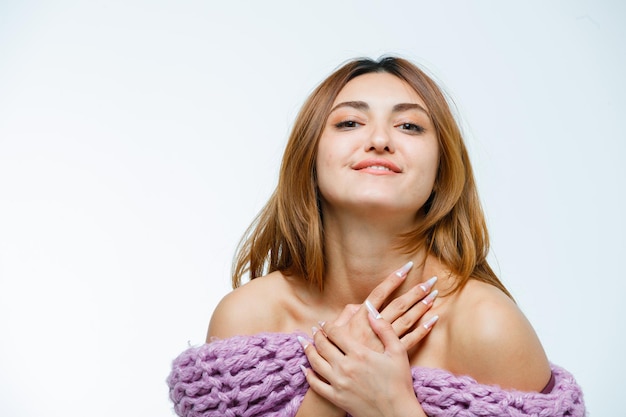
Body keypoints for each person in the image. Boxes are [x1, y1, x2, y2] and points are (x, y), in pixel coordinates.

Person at [167, 56, 585, 417]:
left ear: (442, 170)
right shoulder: (248, 319)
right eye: (350, 122)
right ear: (309, 158)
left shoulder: (487, 328)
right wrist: (333, 391)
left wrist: (393, 406)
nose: (380, 140)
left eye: (409, 126)